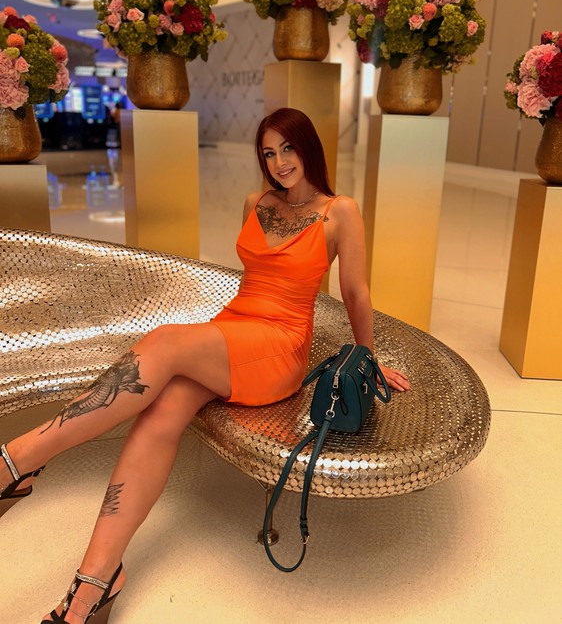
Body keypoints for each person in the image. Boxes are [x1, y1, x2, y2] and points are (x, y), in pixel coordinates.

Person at [0, 107, 410, 623]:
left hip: (279, 346)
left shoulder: (339, 211)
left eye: (288, 148)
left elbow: (355, 291)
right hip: (233, 329)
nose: (279, 162)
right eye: (268, 153)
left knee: (167, 342)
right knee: (161, 414)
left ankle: (18, 460)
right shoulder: (256, 202)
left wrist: (368, 358)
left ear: (309, 147)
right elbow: (255, 280)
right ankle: (96, 581)